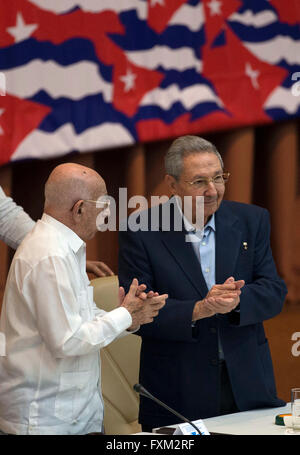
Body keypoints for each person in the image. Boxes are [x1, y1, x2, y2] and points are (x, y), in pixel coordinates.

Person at [118, 135, 287, 431]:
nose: (212, 190)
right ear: (171, 185)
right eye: (198, 182)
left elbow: (274, 290)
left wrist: (237, 302)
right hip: (179, 388)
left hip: (247, 384)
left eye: (219, 178)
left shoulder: (252, 220)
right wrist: (198, 309)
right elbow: (137, 315)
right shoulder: (141, 231)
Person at [0, 163, 167, 435]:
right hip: (45, 423)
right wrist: (125, 315)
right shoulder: (50, 255)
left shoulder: (65, 247)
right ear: (79, 209)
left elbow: (83, 318)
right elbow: (68, 340)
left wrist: (128, 317)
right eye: (103, 205)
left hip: (75, 417)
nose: (108, 214)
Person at [0, 184, 114, 277]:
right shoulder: (50, 264)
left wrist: (66, 257)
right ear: (79, 209)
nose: (107, 213)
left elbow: (5, 215)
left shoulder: (54, 257)